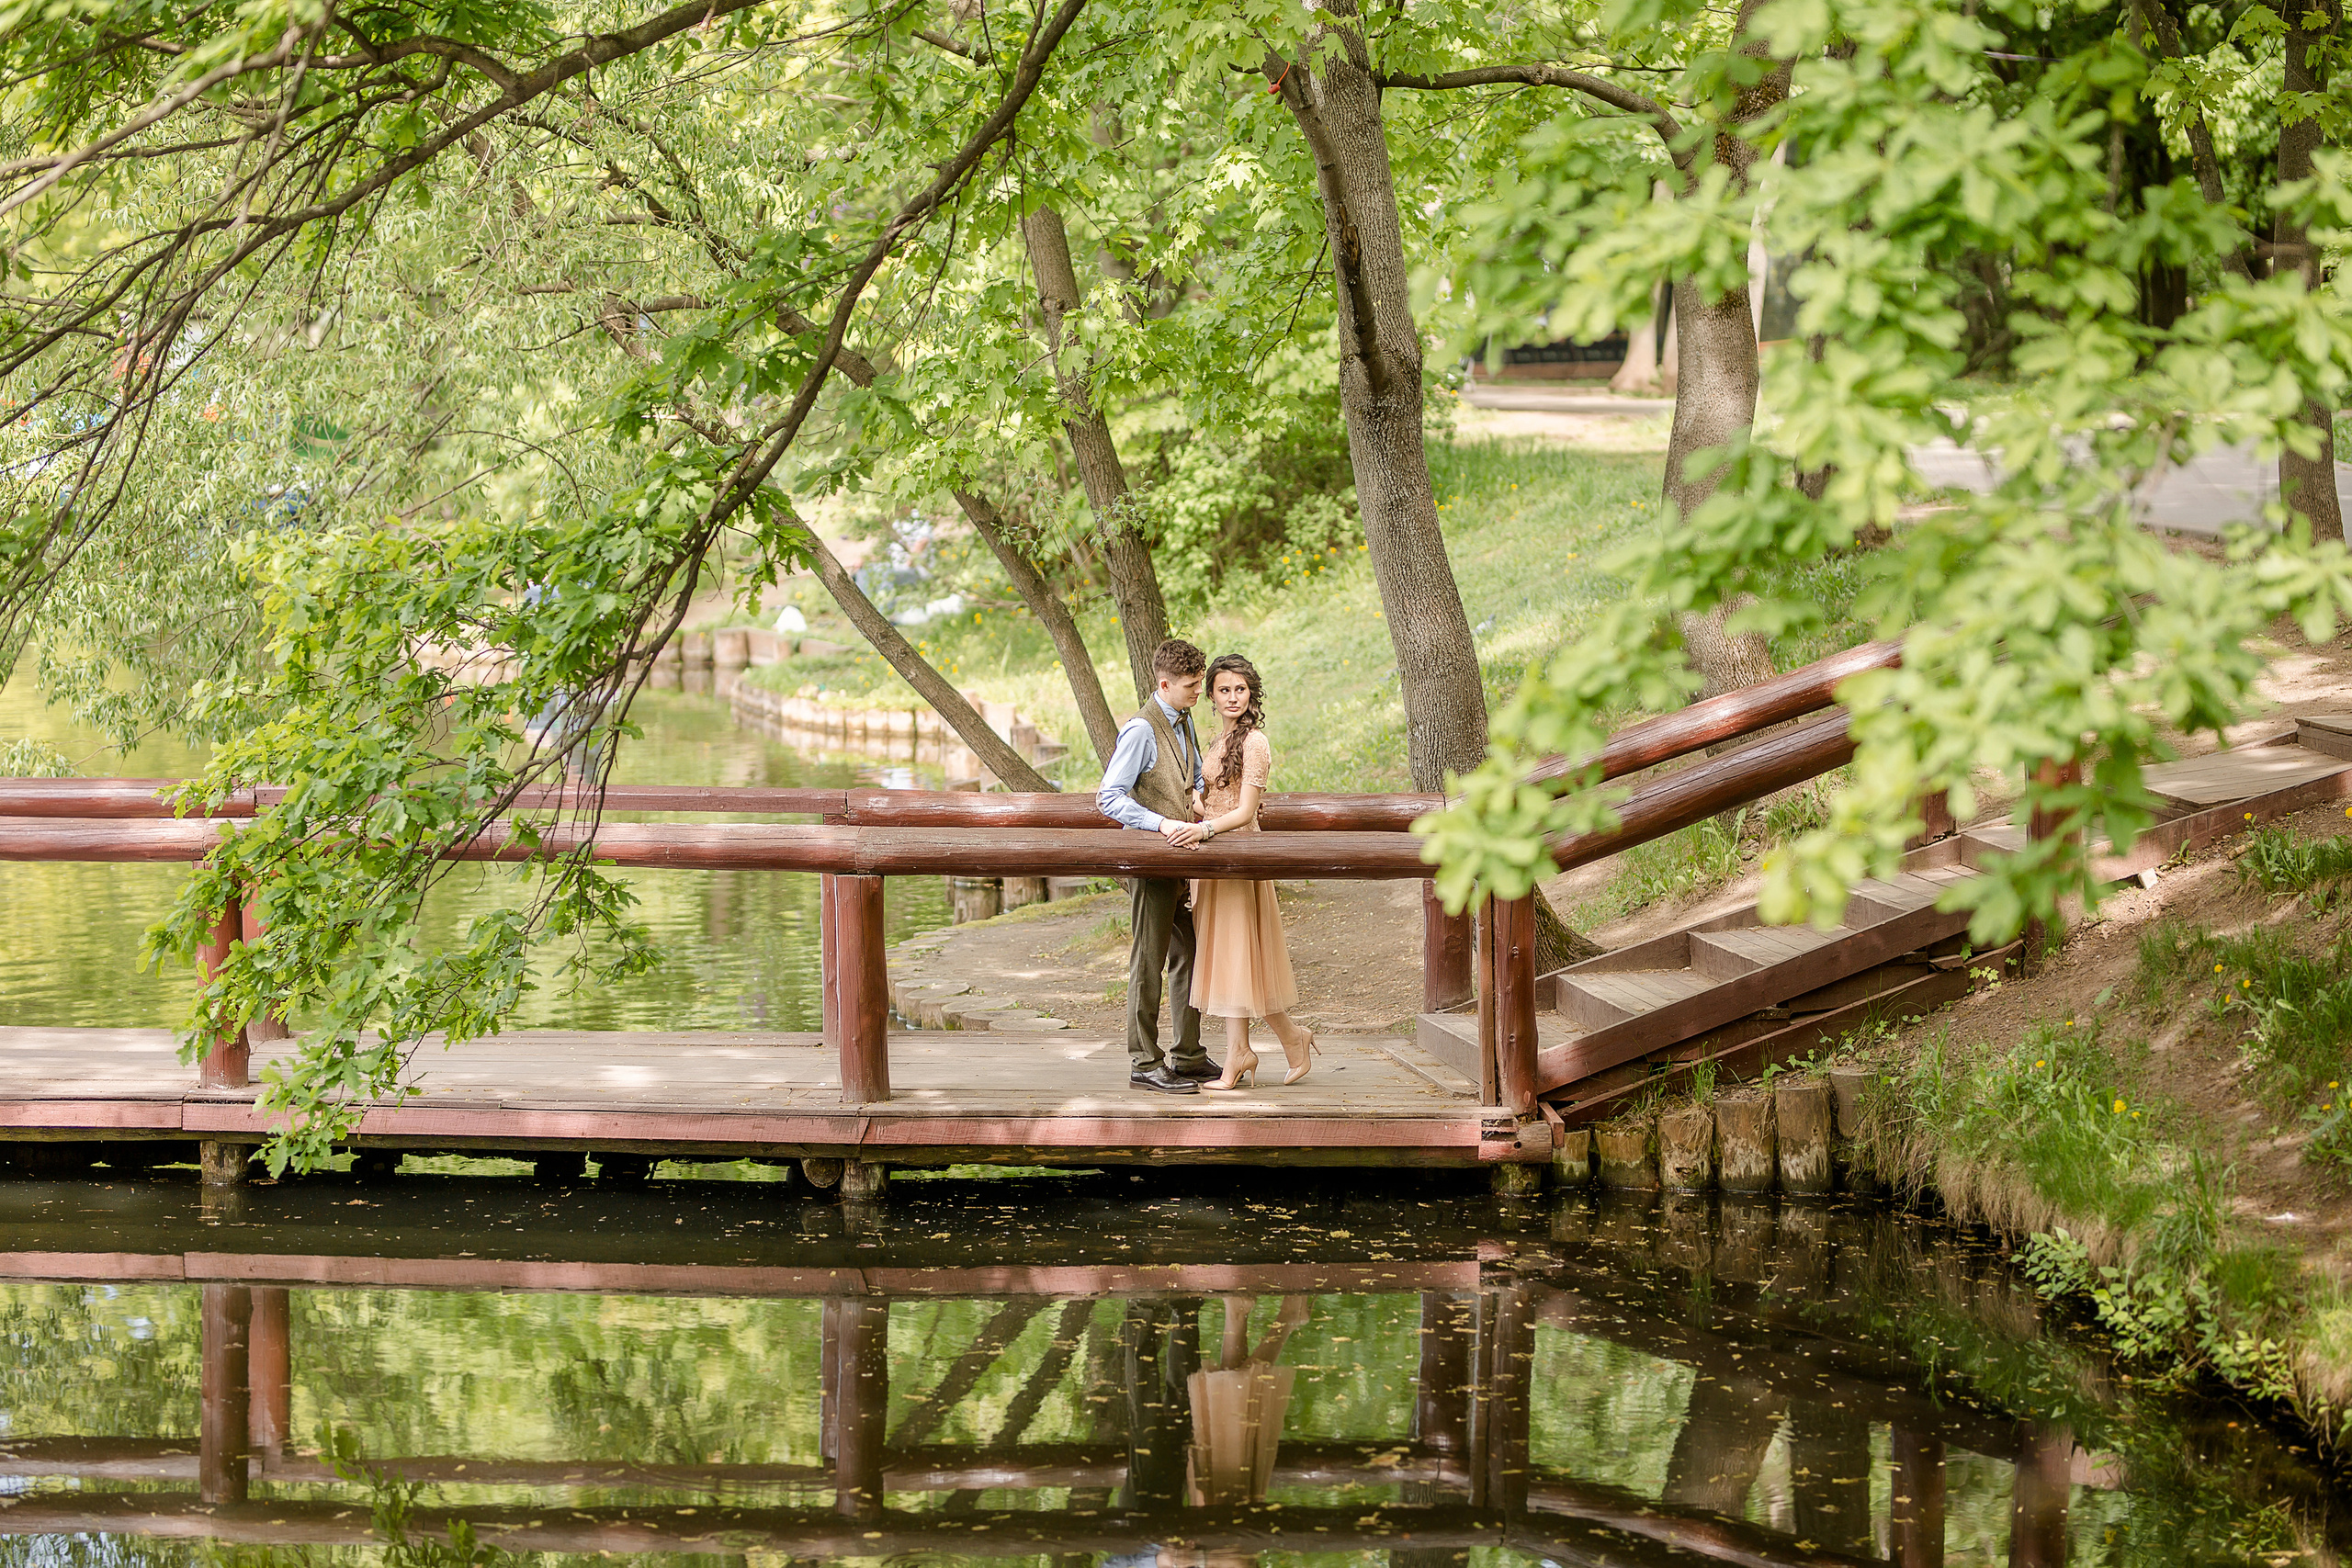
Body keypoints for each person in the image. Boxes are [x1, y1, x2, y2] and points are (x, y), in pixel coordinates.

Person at [1096, 637, 1219, 1094]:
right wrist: (1164, 823)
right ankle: (1144, 1062)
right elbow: (1109, 797)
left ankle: (1188, 1056)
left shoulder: (1182, 721)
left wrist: (1200, 792)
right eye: (1190, 685)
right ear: (1163, 683)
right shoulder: (1141, 730)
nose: (1197, 692)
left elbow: (1192, 774)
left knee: (1188, 952)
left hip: (1180, 861)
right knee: (1147, 961)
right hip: (1150, 863)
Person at [1189, 654, 1317, 1089]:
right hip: (1214, 855)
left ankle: (1265, 1045)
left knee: (1242, 954)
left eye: (1239, 689)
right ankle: (1251, 1048)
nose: (1232, 697)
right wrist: (1196, 804)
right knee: (1232, 958)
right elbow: (1219, 798)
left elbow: (1245, 811)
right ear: (1210, 695)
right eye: (1224, 690)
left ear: (1251, 694)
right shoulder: (1218, 740)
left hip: (1240, 853)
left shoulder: (1255, 742)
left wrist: (1205, 827)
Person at [1185, 1295, 1309, 1506]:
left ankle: (1249, 1314)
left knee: (1228, 1379)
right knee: (1225, 1489)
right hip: (1223, 1532)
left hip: (1205, 1530)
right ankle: (1278, 1318)